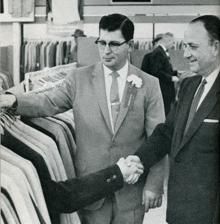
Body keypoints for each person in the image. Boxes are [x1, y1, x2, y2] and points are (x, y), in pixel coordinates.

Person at [0, 13, 166, 224]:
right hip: (91, 191)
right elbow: (48, 102)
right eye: (102, 42)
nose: (106, 51)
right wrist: (13, 100)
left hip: (131, 191)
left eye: (114, 44)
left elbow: (158, 139)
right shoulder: (79, 79)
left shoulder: (149, 85)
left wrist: (154, 185)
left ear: (130, 45)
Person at [127, 15, 220, 224]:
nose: (186, 54)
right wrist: (139, 159)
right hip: (180, 208)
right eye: (185, 46)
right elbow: (167, 132)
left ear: (215, 46)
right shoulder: (190, 86)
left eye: (193, 47)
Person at [141, 32, 180, 116]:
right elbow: (157, 72)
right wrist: (172, 78)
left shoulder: (161, 52)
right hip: (163, 90)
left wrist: (176, 73)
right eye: (173, 42)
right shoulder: (159, 52)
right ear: (168, 41)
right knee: (164, 113)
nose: (173, 45)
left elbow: (164, 70)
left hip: (165, 90)